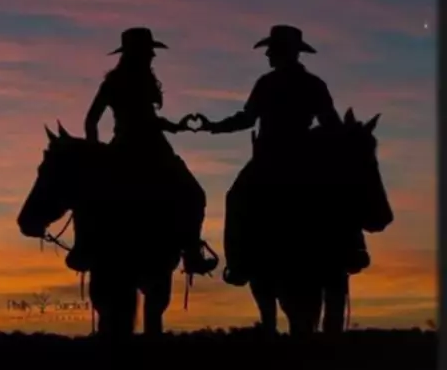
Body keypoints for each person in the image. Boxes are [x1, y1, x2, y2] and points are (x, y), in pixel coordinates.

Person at [193, 25, 367, 288]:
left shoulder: (267, 83)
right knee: (339, 194)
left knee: (236, 197)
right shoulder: (314, 84)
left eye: (272, 50)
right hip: (304, 157)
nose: (268, 55)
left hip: (268, 159)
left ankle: (238, 265)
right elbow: (330, 123)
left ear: (283, 52)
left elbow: (247, 119)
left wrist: (214, 127)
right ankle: (353, 249)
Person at [84, 27, 217, 276]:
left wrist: (174, 126)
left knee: (94, 194)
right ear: (137, 54)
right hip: (148, 147)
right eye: (148, 52)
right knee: (193, 193)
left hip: (129, 145)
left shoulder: (117, 82)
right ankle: (191, 252)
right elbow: (96, 120)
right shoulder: (122, 82)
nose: (152, 56)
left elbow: (94, 120)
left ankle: (86, 247)